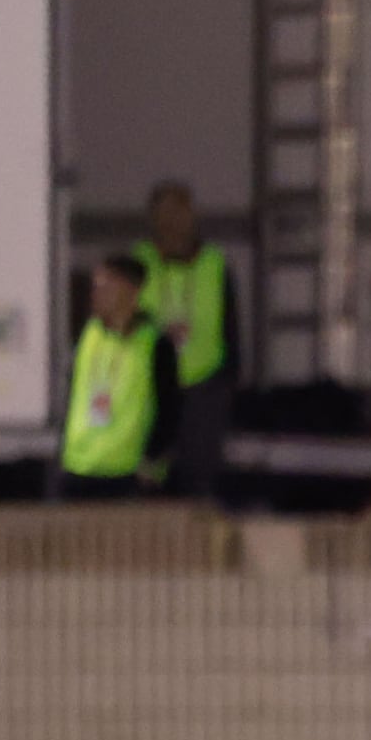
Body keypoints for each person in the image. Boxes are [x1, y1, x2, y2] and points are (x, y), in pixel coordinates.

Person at [138, 179, 239, 502]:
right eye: (164, 216)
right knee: (148, 489)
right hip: (151, 391)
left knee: (197, 489)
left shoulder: (215, 265)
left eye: (179, 214)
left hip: (204, 393)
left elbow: (232, 334)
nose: (172, 225)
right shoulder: (139, 263)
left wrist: (227, 386)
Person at [52, 252, 171, 502]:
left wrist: (151, 461)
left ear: (131, 291)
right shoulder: (89, 334)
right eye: (95, 287)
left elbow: (170, 409)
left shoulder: (154, 343)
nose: (97, 295)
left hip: (125, 474)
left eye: (106, 286)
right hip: (78, 468)